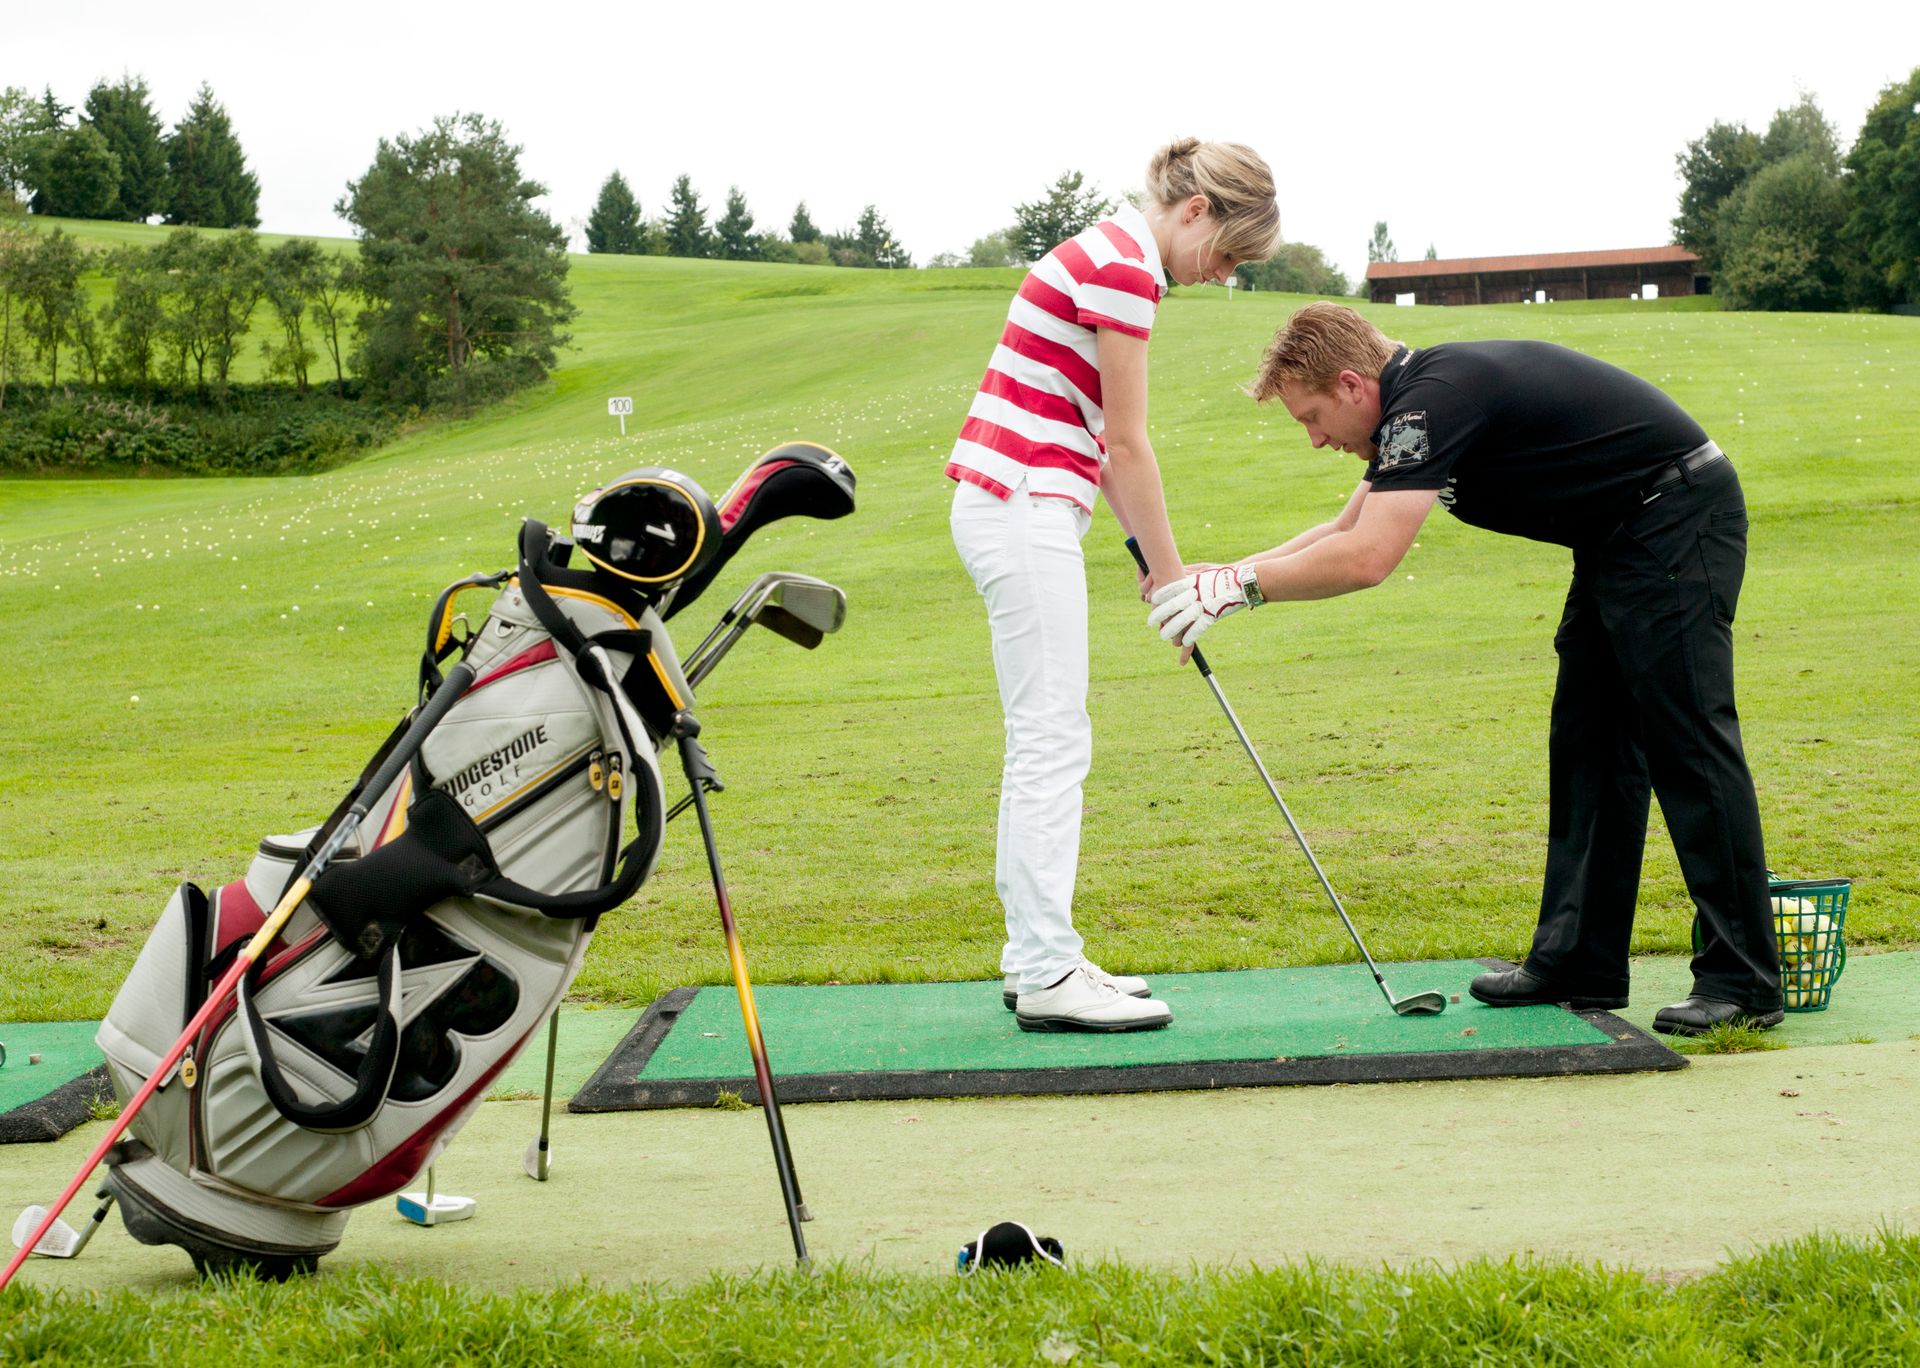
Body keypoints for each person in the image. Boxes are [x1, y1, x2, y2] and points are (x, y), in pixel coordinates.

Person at [1147, 302, 1782, 1036]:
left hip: (1677, 515)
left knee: (1688, 741)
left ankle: (1744, 980)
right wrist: (1222, 573)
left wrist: (1237, 592)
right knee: (1589, 742)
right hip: (1620, 536)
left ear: (1354, 385)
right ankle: (1578, 962)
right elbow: (1344, 527)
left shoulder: (1428, 403)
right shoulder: (1416, 405)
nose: (1317, 439)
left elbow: (1368, 557)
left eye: (1313, 417)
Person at [948, 139, 1282, 1032]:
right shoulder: (1126, 269)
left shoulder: (1109, 251)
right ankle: (1051, 972)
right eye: (1228, 255)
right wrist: (1179, 584)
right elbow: (1129, 444)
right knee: (1053, 738)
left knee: (1044, 736)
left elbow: (1092, 436)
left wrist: (1148, 563)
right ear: (1196, 211)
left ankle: (1036, 962)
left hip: (1019, 502)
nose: (1222, 277)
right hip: (1023, 503)